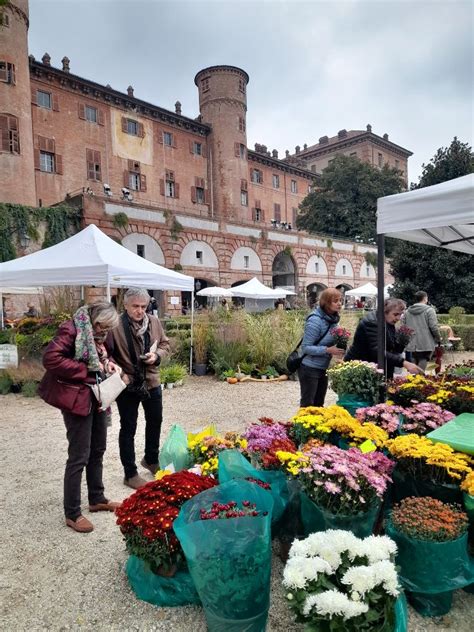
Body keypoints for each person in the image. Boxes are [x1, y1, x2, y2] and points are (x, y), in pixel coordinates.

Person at [40, 302, 123, 533]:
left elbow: (102, 357)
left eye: (108, 328)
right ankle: (72, 513)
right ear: (95, 320)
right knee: (79, 456)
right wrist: (85, 370)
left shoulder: (97, 334)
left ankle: (97, 498)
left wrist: (110, 365)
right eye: (103, 326)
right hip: (76, 399)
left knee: (98, 449)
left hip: (97, 397)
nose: (105, 332)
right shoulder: (72, 329)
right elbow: (51, 358)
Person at [112, 287, 170, 490]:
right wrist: (120, 373)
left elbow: (165, 344)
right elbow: (106, 355)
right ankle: (130, 474)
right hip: (128, 384)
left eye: (143, 307)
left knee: (155, 421)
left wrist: (157, 356)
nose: (140, 311)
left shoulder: (154, 321)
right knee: (128, 428)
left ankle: (151, 459)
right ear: (125, 305)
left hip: (151, 380)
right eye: (135, 306)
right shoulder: (115, 326)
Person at [344, 297, 423, 379]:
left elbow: (391, 348)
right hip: (360, 368)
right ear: (385, 312)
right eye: (396, 314)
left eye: (400, 314)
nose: (398, 318)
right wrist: (404, 363)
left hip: (373, 367)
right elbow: (377, 351)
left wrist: (402, 341)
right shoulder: (373, 322)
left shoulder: (387, 321)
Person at [298, 288, 345, 407]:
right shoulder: (315, 320)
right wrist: (328, 350)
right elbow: (306, 347)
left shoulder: (333, 319)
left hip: (322, 367)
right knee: (308, 405)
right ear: (326, 303)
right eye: (335, 301)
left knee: (319, 404)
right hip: (309, 368)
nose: (339, 303)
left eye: (340, 300)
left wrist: (342, 341)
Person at [402, 291, 442, 371]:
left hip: (411, 341)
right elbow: (433, 327)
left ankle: (413, 379)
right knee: (423, 358)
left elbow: (403, 327)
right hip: (425, 342)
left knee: (413, 358)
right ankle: (419, 379)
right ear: (425, 298)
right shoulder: (430, 310)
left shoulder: (407, 311)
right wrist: (438, 338)